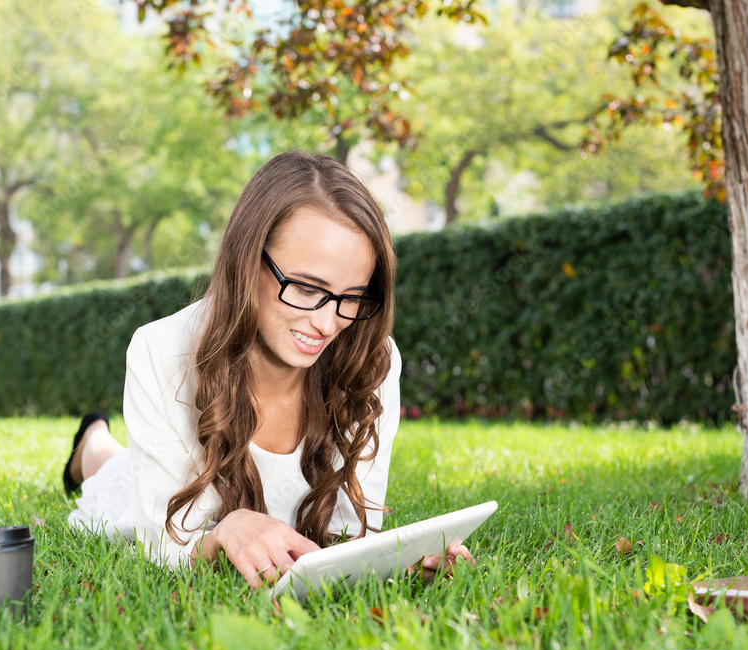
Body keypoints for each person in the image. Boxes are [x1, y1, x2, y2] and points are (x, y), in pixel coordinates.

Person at [61, 150, 475, 590]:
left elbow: (353, 528)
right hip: (152, 486)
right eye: (307, 287)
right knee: (112, 477)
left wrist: (396, 560)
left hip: (182, 471)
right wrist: (222, 533)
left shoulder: (371, 356)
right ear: (247, 260)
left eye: (352, 296)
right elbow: (161, 540)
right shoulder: (161, 349)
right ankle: (90, 440)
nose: (329, 322)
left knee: (122, 463)